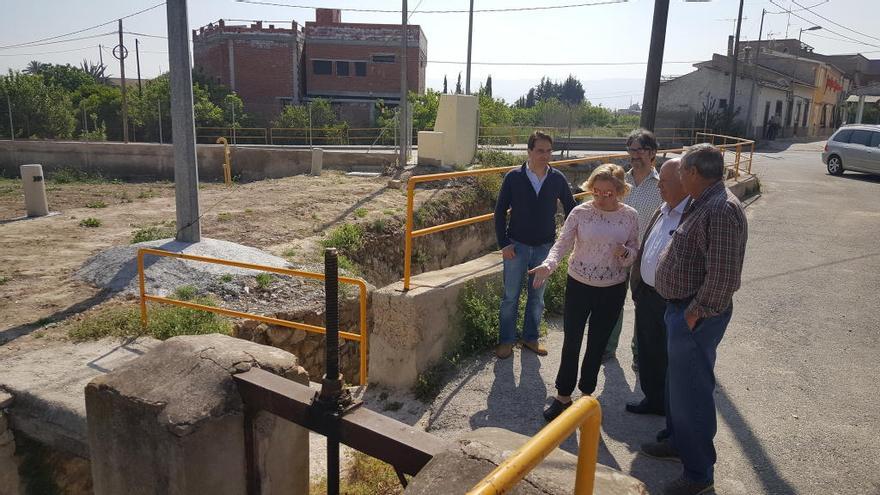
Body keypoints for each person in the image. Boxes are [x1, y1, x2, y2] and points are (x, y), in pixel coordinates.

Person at [640, 144, 748, 495]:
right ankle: (677, 441)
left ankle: (698, 474)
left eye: (682, 171)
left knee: (693, 393)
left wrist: (693, 314)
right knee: (679, 386)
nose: (678, 177)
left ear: (694, 174)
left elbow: (723, 277)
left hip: (695, 314)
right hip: (681, 309)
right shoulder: (705, 202)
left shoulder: (720, 209)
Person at [529, 164, 639, 422]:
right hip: (579, 284)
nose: (601, 197)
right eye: (596, 191)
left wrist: (626, 254)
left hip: (612, 288)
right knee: (572, 341)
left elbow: (635, 248)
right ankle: (563, 396)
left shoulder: (630, 216)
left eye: (608, 193)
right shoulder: (580, 212)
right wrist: (549, 264)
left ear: (620, 191)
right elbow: (563, 243)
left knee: (597, 345)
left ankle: (586, 396)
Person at [494, 130, 577, 360]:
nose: (545, 155)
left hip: (544, 249)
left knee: (537, 298)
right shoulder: (513, 177)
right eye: (540, 150)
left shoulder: (557, 178)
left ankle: (530, 338)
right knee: (510, 296)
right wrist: (504, 243)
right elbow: (499, 212)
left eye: (549, 151)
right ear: (529, 151)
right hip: (516, 247)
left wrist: (565, 240)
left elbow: (572, 209)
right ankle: (506, 341)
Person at [625, 158, 689, 416]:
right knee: (649, 351)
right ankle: (653, 399)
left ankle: (672, 409)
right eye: (659, 181)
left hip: (671, 298)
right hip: (648, 295)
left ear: (683, 183)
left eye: (664, 182)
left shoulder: (692, 214)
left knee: (670, 357)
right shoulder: (663, 209)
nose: (659, 187)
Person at [603, 129, 664, 370]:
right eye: (631, 149)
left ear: (653, 153)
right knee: (613, 303)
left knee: (644, 308)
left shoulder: (662, 184)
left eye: (640, 150)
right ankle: (607, 348)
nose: (635, 155)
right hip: (618, 252)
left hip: (647, 255)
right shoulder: (620, 181)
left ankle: (640, 353)